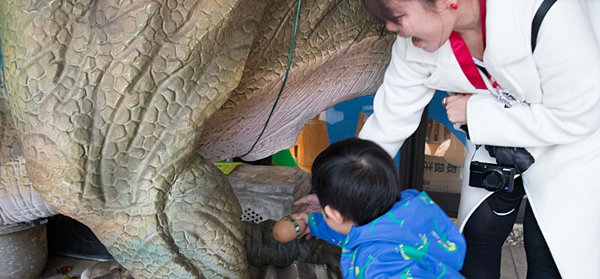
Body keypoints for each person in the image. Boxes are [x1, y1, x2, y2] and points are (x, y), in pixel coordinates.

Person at [294, 0, 600, 278]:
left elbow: (578, 116)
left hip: (572, 144)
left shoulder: (547, 11)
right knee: (478, 237)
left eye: (397, 16)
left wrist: (477, 113)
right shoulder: (416, 42)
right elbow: (390, 120)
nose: (390, 28)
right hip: (498, 144)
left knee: (548, 250)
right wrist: (340, 194)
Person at [293, 137, 466, 278]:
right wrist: (312, 223)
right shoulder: (410, 207)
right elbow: (356, 228)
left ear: (333, 214)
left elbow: (353, 227)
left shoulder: (379, 265)